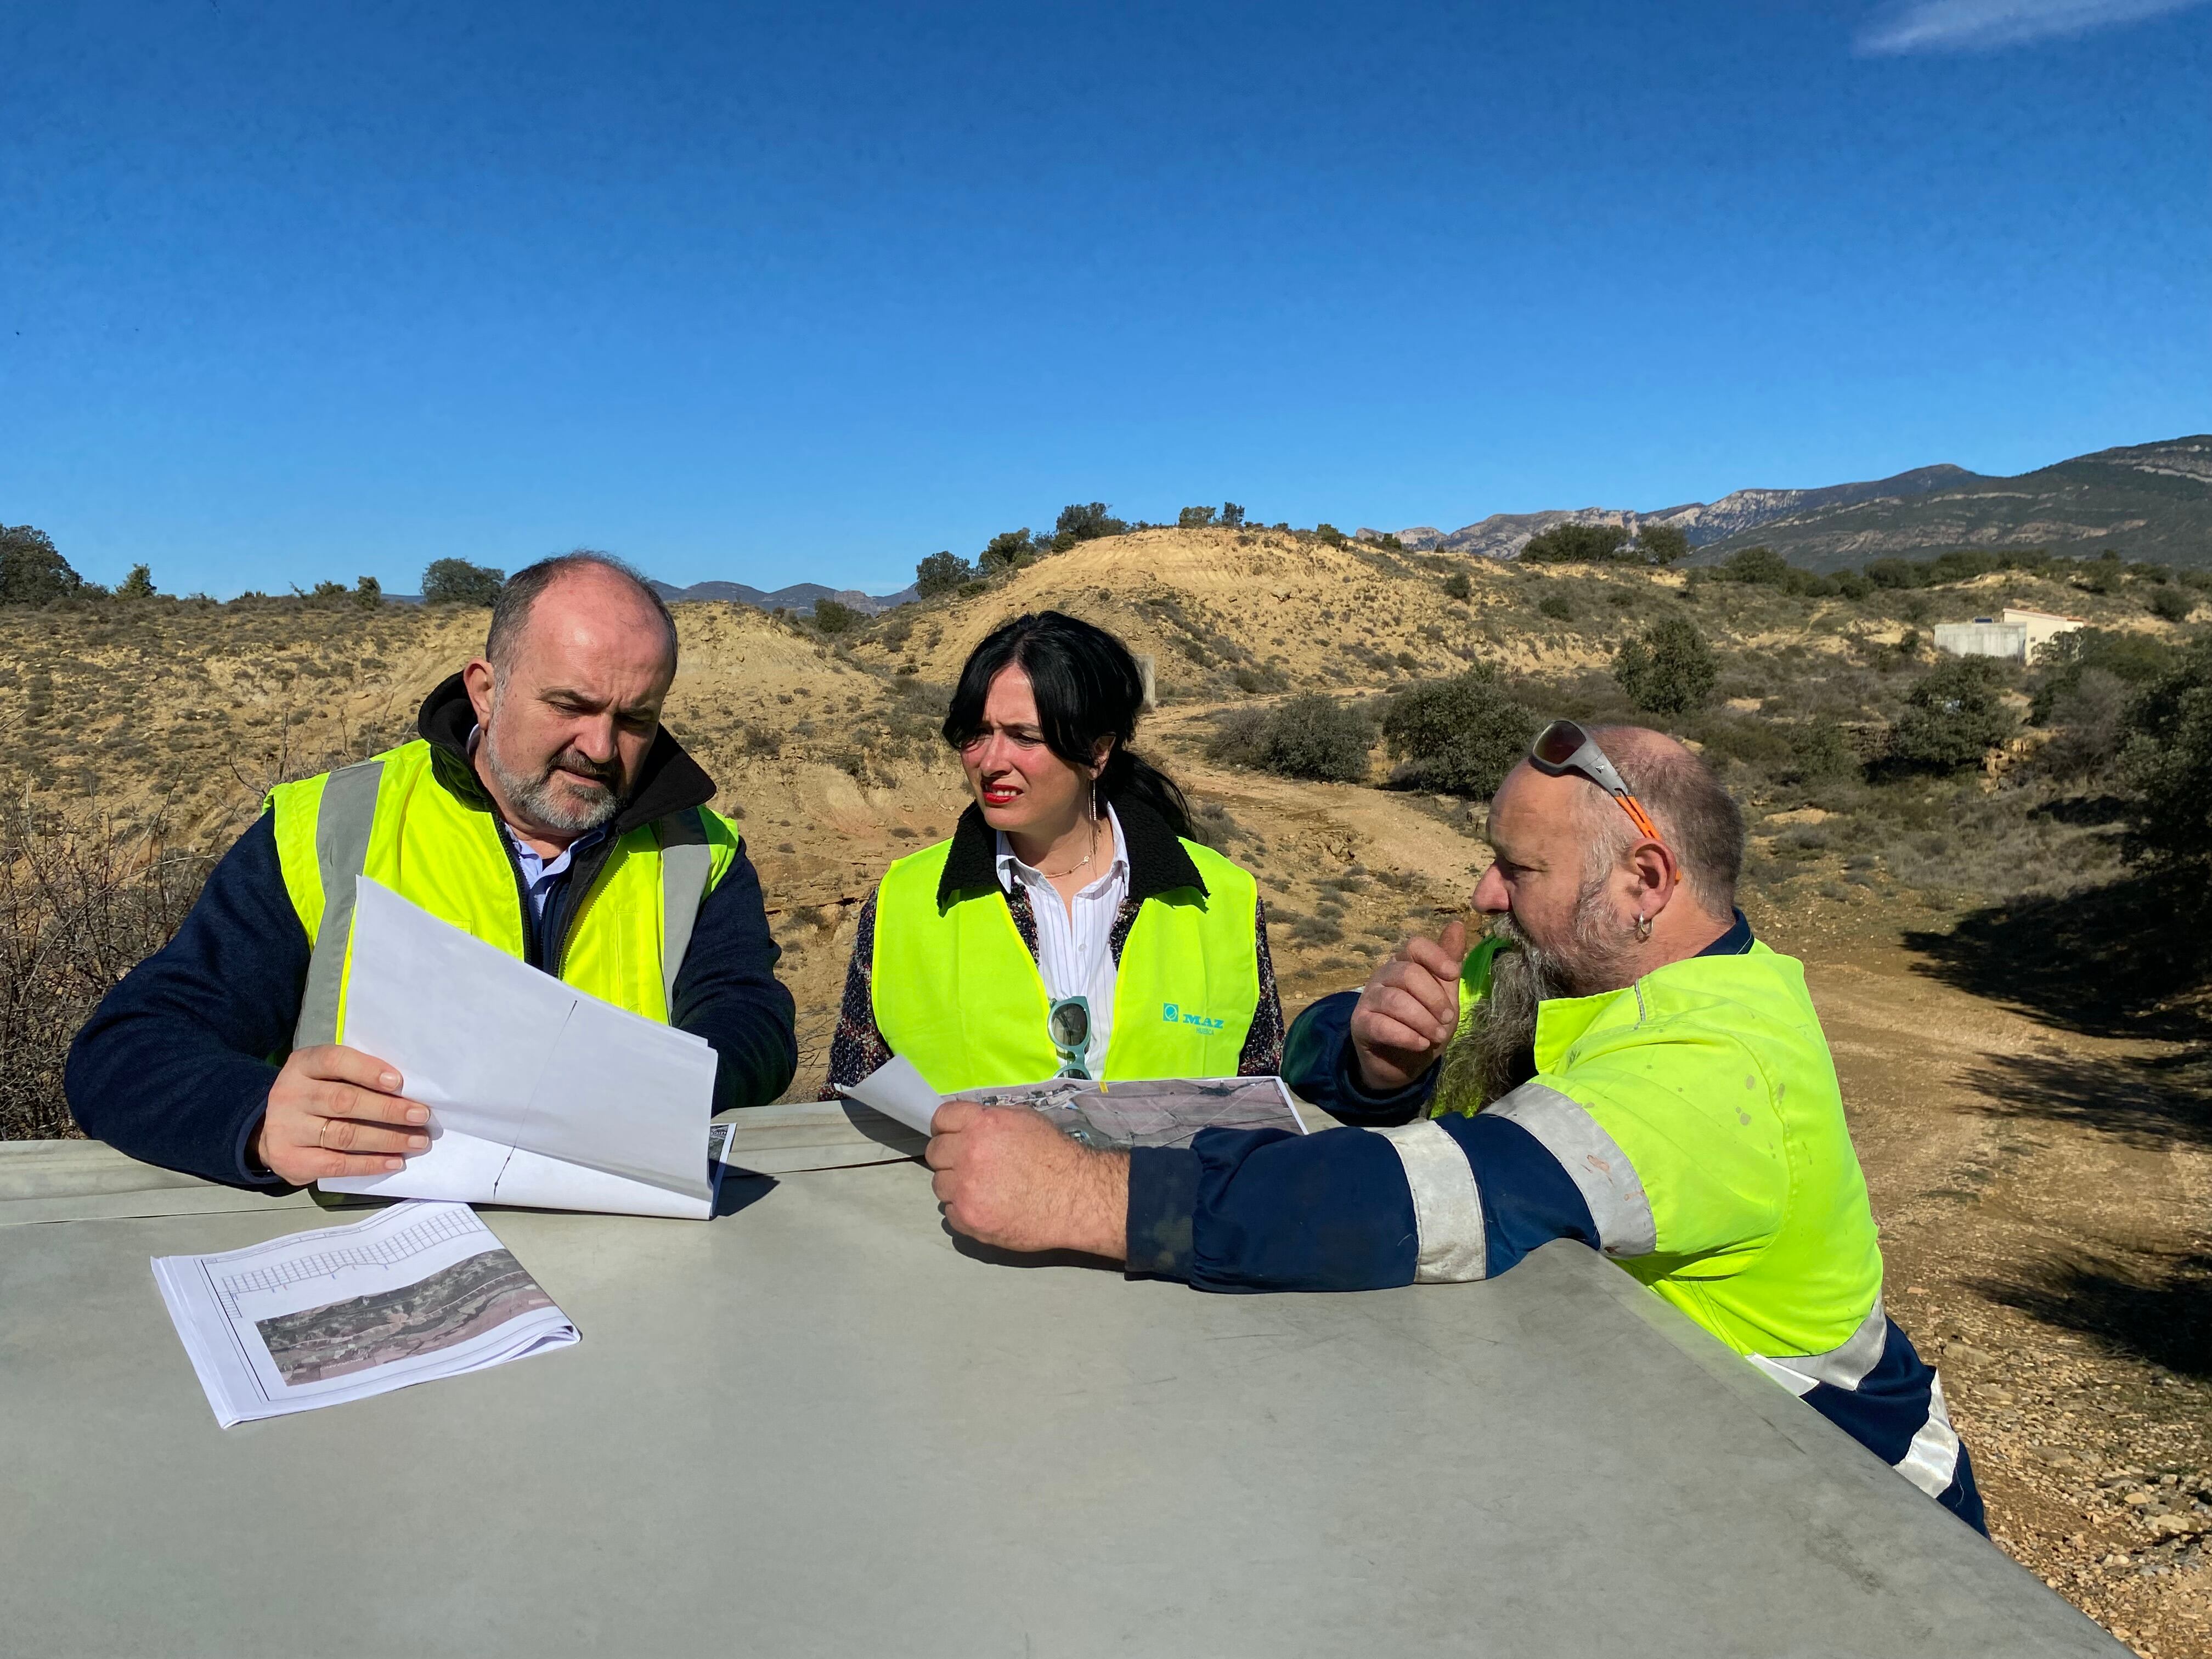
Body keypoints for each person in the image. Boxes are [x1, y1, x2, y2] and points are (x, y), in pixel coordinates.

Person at [923, 720, 1984, 1531]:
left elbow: (1427, 1198)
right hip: (1653, 1445)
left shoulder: (1721, 1062)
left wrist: (1081, 1195)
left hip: (1844, 1508)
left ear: (1645, 881)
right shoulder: (1559, 962)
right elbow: (1320, 1054)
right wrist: (1372, 1055)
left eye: (1515, 867)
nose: (1481, 893)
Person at [68, 552, 796, 1189]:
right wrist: (257, 1119)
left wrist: (670, 1081)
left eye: (636, 718)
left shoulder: (699, 850)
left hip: (627, 1254)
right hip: (372, 1254)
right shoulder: (333, 829)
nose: (601, 747)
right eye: (570, 705)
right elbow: (126, 1052)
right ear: (486, 688)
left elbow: (755, 1021)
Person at [826, 610, 1282, 1094]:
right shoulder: (904, 899)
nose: (990, 761)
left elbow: (1262, 1098)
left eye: (1024, 737)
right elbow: (848, 1101)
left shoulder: (1222, 897)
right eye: (977, 734)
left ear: (1098, 752)